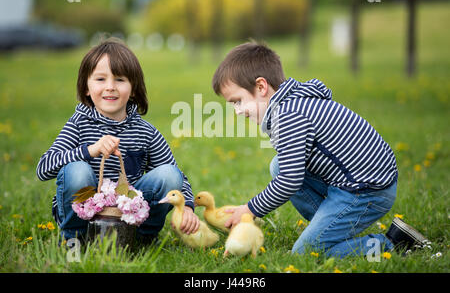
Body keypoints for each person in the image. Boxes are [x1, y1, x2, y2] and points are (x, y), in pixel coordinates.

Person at [213, 41, 429, 258]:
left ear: (261, 87)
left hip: (367, 190)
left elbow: (289, 181)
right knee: (279, 165)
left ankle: (395, 244)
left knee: (305, 252)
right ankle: (329, 229)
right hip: (352, 181)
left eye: (238, 101)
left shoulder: (289, 116)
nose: (238, 111)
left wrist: (249, 209)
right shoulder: (293, 102)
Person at [36, 38, 200, 244]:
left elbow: (178, 179)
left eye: (120, 79)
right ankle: (74, 239)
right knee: (77, 170)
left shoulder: (145, 132)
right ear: (86, 87)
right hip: (86, 214)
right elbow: (43, 168)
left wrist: (186, 206)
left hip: (127, 214)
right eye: (100, 79)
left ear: (133, 88)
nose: (110, 87)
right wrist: (89, 151)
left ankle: (141, 237)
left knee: (169, 174)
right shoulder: (78, 124)